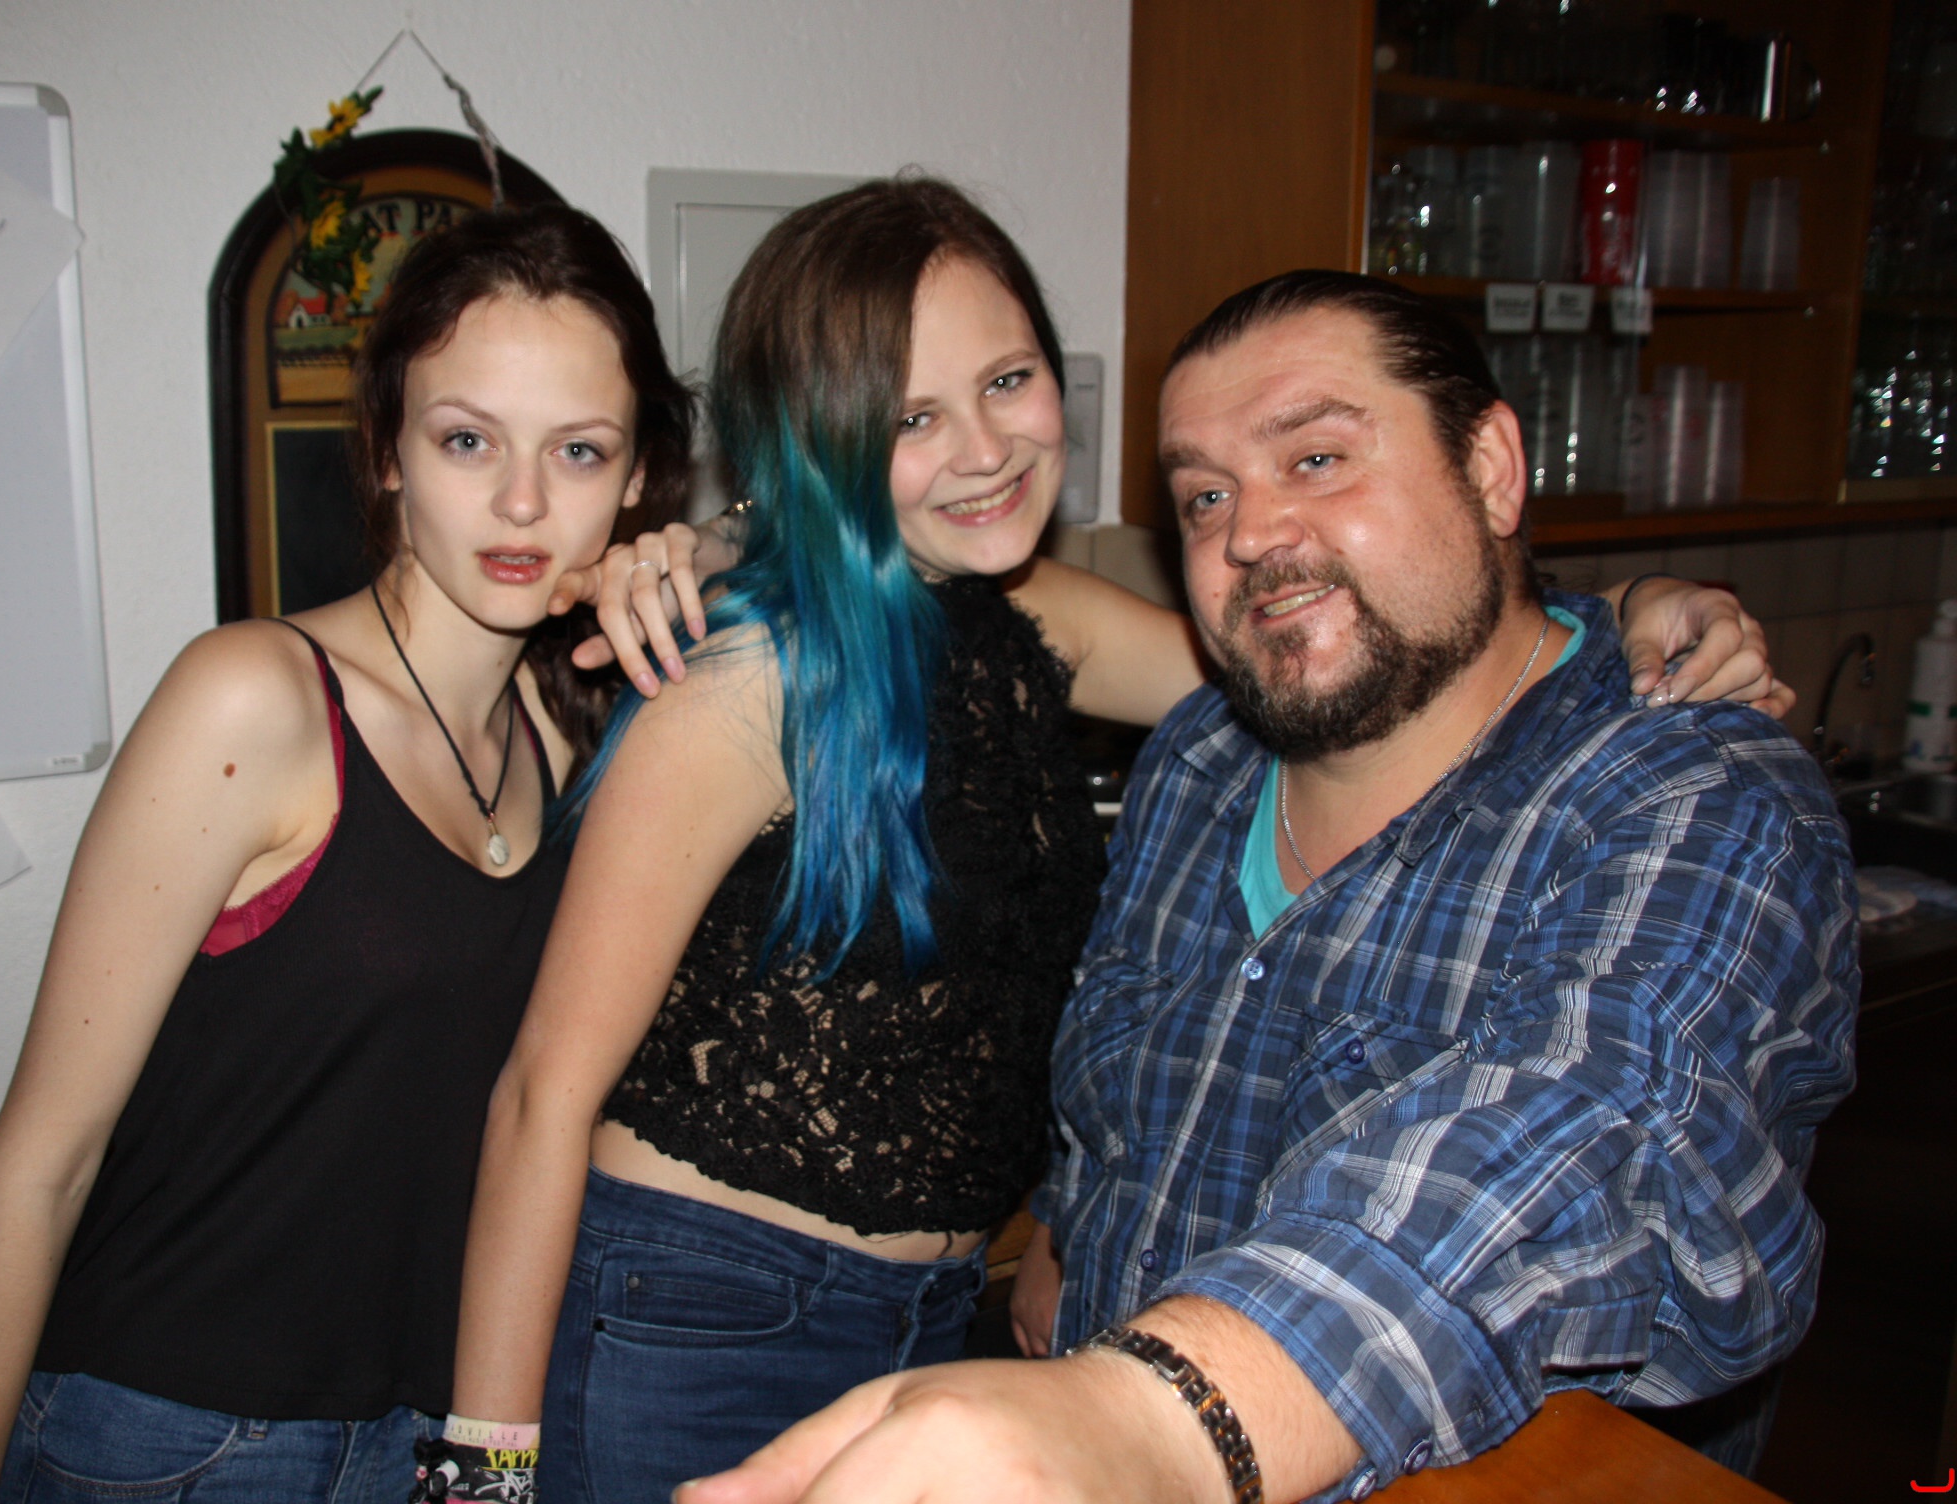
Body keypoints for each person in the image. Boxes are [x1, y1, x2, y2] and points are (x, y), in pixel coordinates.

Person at [443, 180, 1795, 1504]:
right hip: (693, 1318)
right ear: (824, 440)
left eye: (1008, 380)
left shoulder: (1040, 618)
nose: (987, 447)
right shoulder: (743, 684)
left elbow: (1343, 637)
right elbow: (539, 1096)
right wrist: (485, 1475)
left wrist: (1631, 606)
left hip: (932, 1322)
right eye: (911, 417)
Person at [0, 203, 706, 1504]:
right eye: (466, 440)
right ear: (388, 451)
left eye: (578, 450)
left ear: (635, 479)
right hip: (172, 1440)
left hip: (433, 1440)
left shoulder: (570, 734)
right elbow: (40, 1167)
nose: (521, 501)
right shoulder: (255, 699)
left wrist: (695, 558)